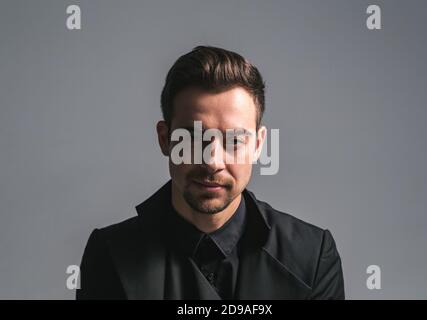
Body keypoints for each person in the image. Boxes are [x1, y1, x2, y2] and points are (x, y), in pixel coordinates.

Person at [76, 46, 345, 300]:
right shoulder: (110, 255)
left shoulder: (312, 255)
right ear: (164, 139)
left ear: (258, 145)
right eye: (192, 139)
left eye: (235, 140)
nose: (212, 161)